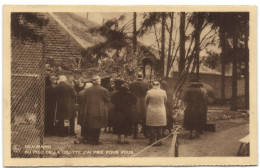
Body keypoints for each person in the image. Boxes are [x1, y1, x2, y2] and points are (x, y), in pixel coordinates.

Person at [83, 76, 110, 145]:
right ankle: (96, 140)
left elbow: (85, 99)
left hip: (89, 110)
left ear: (93, 81)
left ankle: (90, 139)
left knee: (91, 124)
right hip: (99, 110)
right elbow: (107, 100)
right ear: (99, 81)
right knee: (97, 125)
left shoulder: (87, 90)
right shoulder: (104, 90)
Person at [145, 81, 167, 146]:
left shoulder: (149, 92)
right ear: (159, 85)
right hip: (161, 110)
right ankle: (159, 141)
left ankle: (152, 141)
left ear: (153, 85)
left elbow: (146, 101)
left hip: (151, 110)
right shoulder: (163, 92)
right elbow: (165, 100)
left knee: (151, 126)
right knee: (160, 126)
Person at [129, 72, 150, 139]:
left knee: (135, 119)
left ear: (136, 76)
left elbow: (130, 93)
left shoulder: (132, 84)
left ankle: (135, 134)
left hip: (135, 103)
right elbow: (148, 93)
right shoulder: (146, 84)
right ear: (142, 76)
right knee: (144, 118)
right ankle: (146, 134)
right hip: (143, 102)